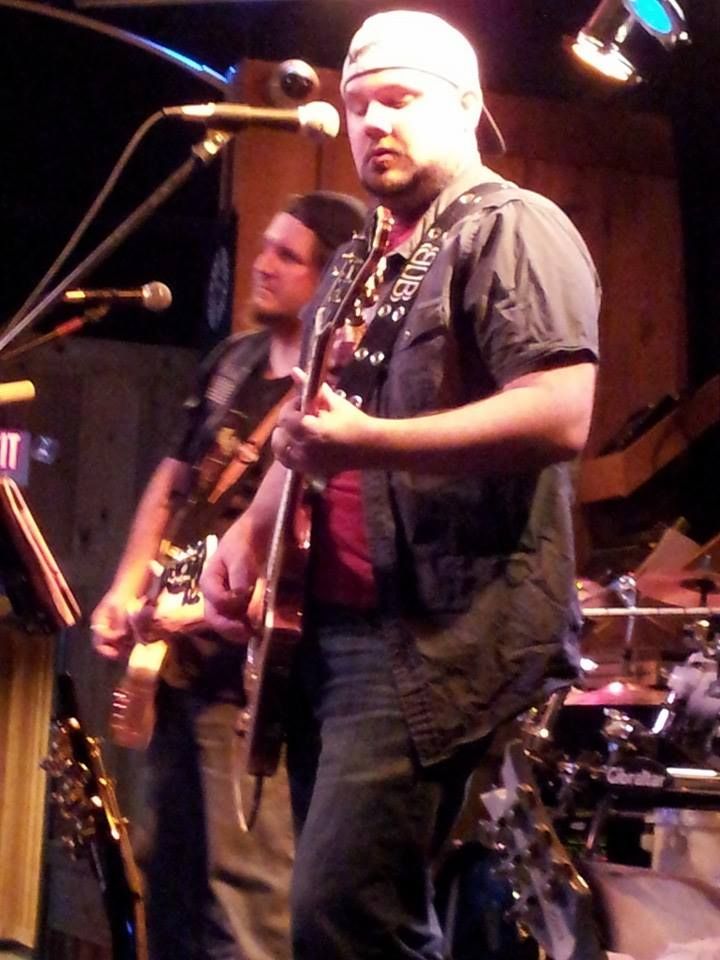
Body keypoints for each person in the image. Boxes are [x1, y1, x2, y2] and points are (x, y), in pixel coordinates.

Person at [200, 10, 601, 960]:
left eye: (400, 98)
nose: (373, 121)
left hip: (429, 634)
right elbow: (313, 426)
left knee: (343, 916)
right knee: (351, 923)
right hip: (326, 630)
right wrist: (250, 532)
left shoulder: (512, 226)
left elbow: (560, 413)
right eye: (356, 106)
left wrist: (373, 444)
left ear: (465, 105)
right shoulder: (356, 260)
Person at [90, 190, 368, 960]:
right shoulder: (234, 360)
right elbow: (173, 478)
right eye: (266, 245)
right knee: (169, 879)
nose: (262, 263)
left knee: (241, 904)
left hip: (253, 688)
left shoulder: (339, 388)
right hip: (180, 667)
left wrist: (209, 612)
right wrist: (126, 584)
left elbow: (317, 548)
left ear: (329, 278)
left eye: (287, 255)